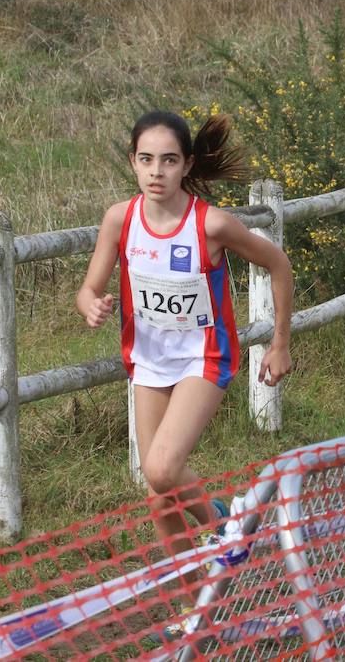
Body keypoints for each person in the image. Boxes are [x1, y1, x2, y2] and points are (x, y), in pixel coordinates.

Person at [75, 111, 292, 565]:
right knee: (159, 494)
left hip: (204, 358)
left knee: (161, 468)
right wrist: (90, 303)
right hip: (149, 361)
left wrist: (280, 343)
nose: (157, 172)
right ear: (132, 161)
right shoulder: (120, 219)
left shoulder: (211, 224)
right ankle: (192, 609)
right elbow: (88, 288)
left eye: (169, 160)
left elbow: (279, 265)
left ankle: (221, 523)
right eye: (147, 159)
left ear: (187, 165)